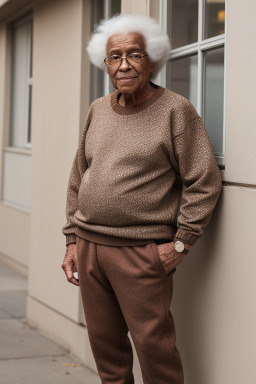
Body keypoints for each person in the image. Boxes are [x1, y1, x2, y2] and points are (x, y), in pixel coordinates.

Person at [61, 14, 222, 384]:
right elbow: (78, 176)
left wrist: (181, 244)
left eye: (134, 54)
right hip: (88, 247)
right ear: (105, 64)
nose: (124, 65)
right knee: (107, 352)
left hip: (139, 253)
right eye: (114, 57)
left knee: (156, 351)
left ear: (152, 59)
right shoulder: (98, 109)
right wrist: (71, 239)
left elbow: (205, 180)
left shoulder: (175, 109)